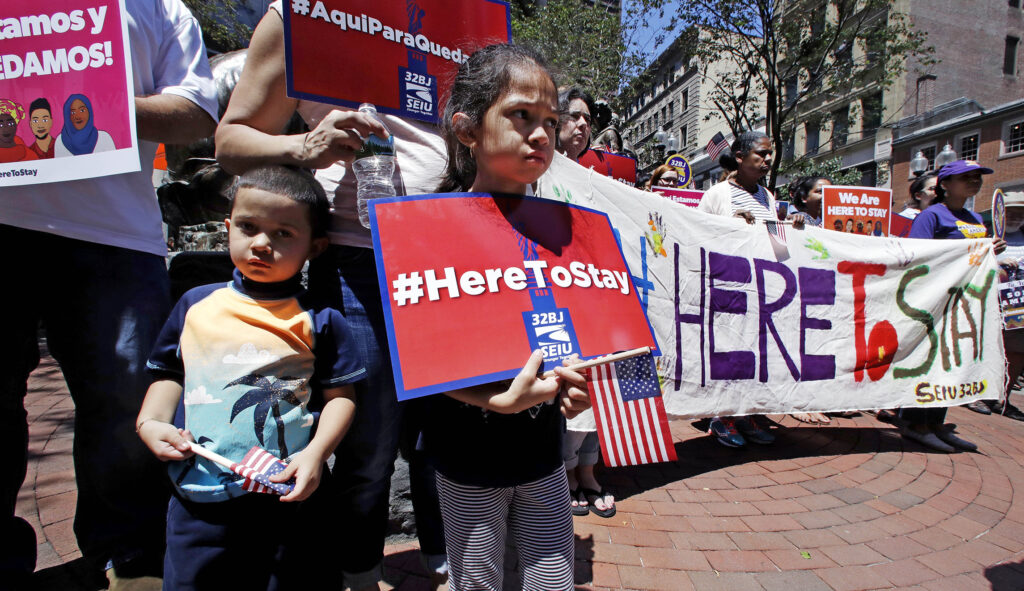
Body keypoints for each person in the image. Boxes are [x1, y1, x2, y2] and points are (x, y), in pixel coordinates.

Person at [215, 3, 448, 588]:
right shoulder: (303, 13)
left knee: (446, 430)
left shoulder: (463, 21)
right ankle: (361, 573)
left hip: (452, 260)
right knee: (368, 448)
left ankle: (454, 561)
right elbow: (231, 139)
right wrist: (303, 147)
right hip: (355, 262)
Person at [0, 0, 217, 587]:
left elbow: (196, 111)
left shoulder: (163, 10)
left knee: (128, 409)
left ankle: (128, 559)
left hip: (115, 236)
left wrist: (97, 105)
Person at [137, 165, 363, 588]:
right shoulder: (195, 304)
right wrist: (150, 422)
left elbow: (341, 397)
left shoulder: (320, 319)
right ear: (228, 227)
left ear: (315, 247)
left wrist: (315, 455)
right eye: (248, 227)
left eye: (283, 234)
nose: (261, 243)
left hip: (288, 495)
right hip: (198, 492)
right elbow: (168, 372)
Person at [423, 43, 591, 591]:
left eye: (550, 120)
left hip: (543, 455)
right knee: (478, 582)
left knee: (552, 581)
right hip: (466, 458)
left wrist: (574, 381)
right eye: (521, 115)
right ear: (467, 129)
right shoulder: (428, 230)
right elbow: (420, 360)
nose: (541, 134)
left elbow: (570, 333)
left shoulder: (563, 234)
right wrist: (493, 401)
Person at [903, 159, 1007, 452]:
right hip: (936, 304)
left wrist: (991, 250)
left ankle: (937, 423)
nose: (975, 181)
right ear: (945, 186)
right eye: (966, 177)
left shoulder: (975, 219)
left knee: (952, 362)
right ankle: (916, 424)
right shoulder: (931, 216)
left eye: (978, 177)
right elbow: (916, 255)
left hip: (967, 304)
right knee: (929, 363)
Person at [696, 131, 778, 448]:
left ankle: (745, 415)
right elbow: (697, 237)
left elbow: (776, 244)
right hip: (727, 287)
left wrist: (791, 228)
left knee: (752, 355)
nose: (767, 159)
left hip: (759, 290)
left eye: (770, 154)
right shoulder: (717, 195)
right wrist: (730, 227)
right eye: (761, 153)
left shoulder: (768, 197)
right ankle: (721, 416)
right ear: (741, 157)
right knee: (729, 353)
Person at [556, 87, 595, 162]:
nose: (583, 123)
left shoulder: (588, 173)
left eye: (587, 119)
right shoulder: (536, 169)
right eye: (574, 116)